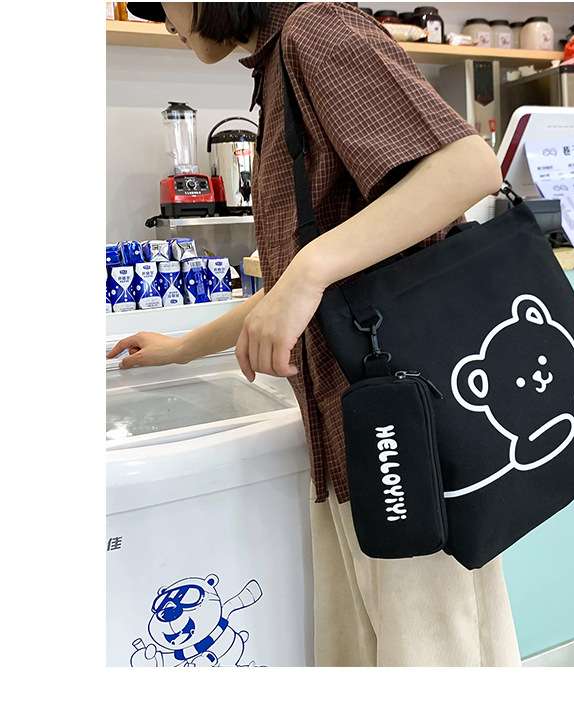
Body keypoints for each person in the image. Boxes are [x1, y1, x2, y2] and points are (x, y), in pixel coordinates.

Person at [110, 2, 521, 667]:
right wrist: (183, 347)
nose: (163, 19)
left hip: (401, 446)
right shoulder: (277, 67)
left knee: (433, 654)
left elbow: (469, 167)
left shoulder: (317, 30)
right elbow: (307, 283)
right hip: (356, 442)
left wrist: (307, 272)